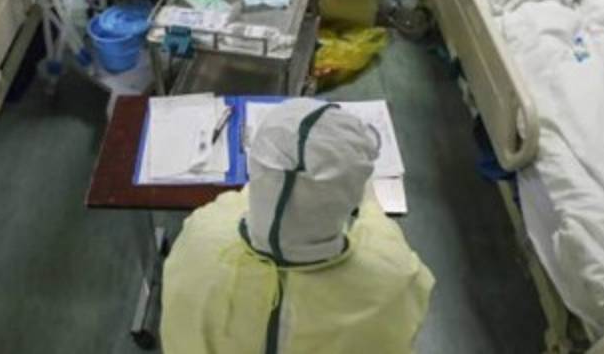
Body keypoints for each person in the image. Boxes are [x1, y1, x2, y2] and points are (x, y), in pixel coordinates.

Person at [161, 99, 435, 354]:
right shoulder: (393, 281)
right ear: (351, 194)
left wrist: (276, 174)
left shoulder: (200, 236)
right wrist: (370, 203)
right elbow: (381, 235)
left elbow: (257, 200)